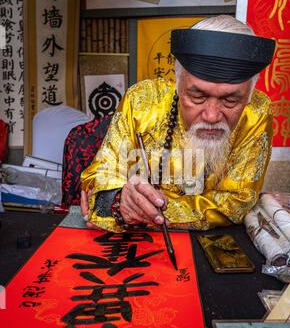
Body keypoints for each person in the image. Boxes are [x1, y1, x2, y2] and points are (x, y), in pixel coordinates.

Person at [80, 15, 275, 232]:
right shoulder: (142, 102)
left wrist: (153, 211)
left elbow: (237, 201)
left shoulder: (256, 112)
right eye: (197, 96)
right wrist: (118, 199)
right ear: (177, 81)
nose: (211, 116)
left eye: (230, 100)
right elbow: (100, 176)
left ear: (249, 94)